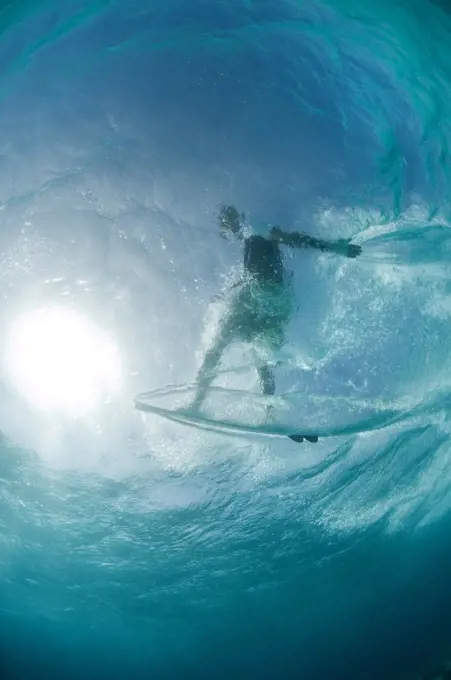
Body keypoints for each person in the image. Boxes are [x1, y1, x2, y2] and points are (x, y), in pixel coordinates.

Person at [190, 204, 361, 439]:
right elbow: (255, 270)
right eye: (224, 223)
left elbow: (294, 239)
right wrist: (228, 291)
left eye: (226, 222)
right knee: (257, 356)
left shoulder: (258, 228)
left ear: (235, 219)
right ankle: (264, 415)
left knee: (245, 353)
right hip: (270, 300)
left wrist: (335, 248)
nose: (226, 228)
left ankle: (203, 405)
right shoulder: (248, 239)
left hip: (268, 298)